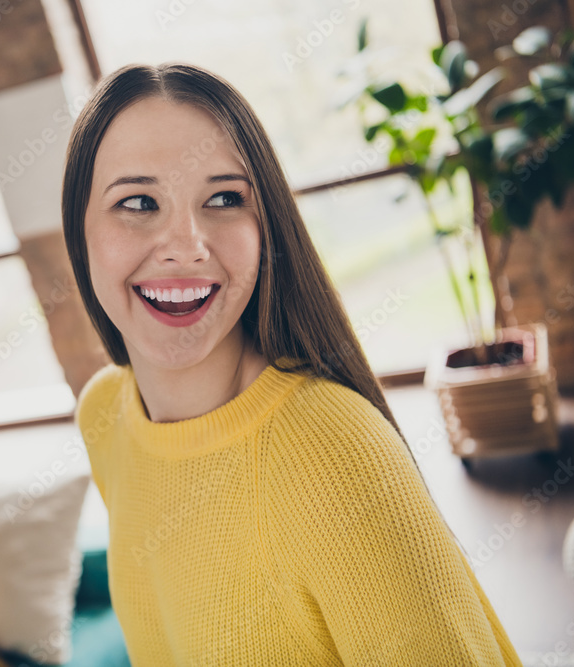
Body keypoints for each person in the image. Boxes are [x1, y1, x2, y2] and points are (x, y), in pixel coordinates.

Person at [62, 62, 522, 666]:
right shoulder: (104, 413)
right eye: (138, 202)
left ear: (264, 226)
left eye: (224, 198)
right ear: (81, 230)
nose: (187, 245)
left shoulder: (331, 449)